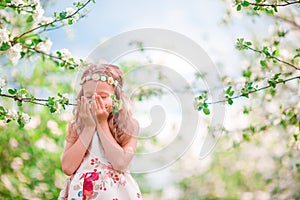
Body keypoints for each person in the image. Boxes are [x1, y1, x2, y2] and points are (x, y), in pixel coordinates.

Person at [58, 63, 142, 200]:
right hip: (82, 193)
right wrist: (89, 127)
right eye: (89, 96)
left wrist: (101, 123)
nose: (95, 101)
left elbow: (120, 163)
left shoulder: (128, 125)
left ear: (116, 99)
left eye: (102, 96)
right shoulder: (77, 126)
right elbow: (68, 167)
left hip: (116, 193)